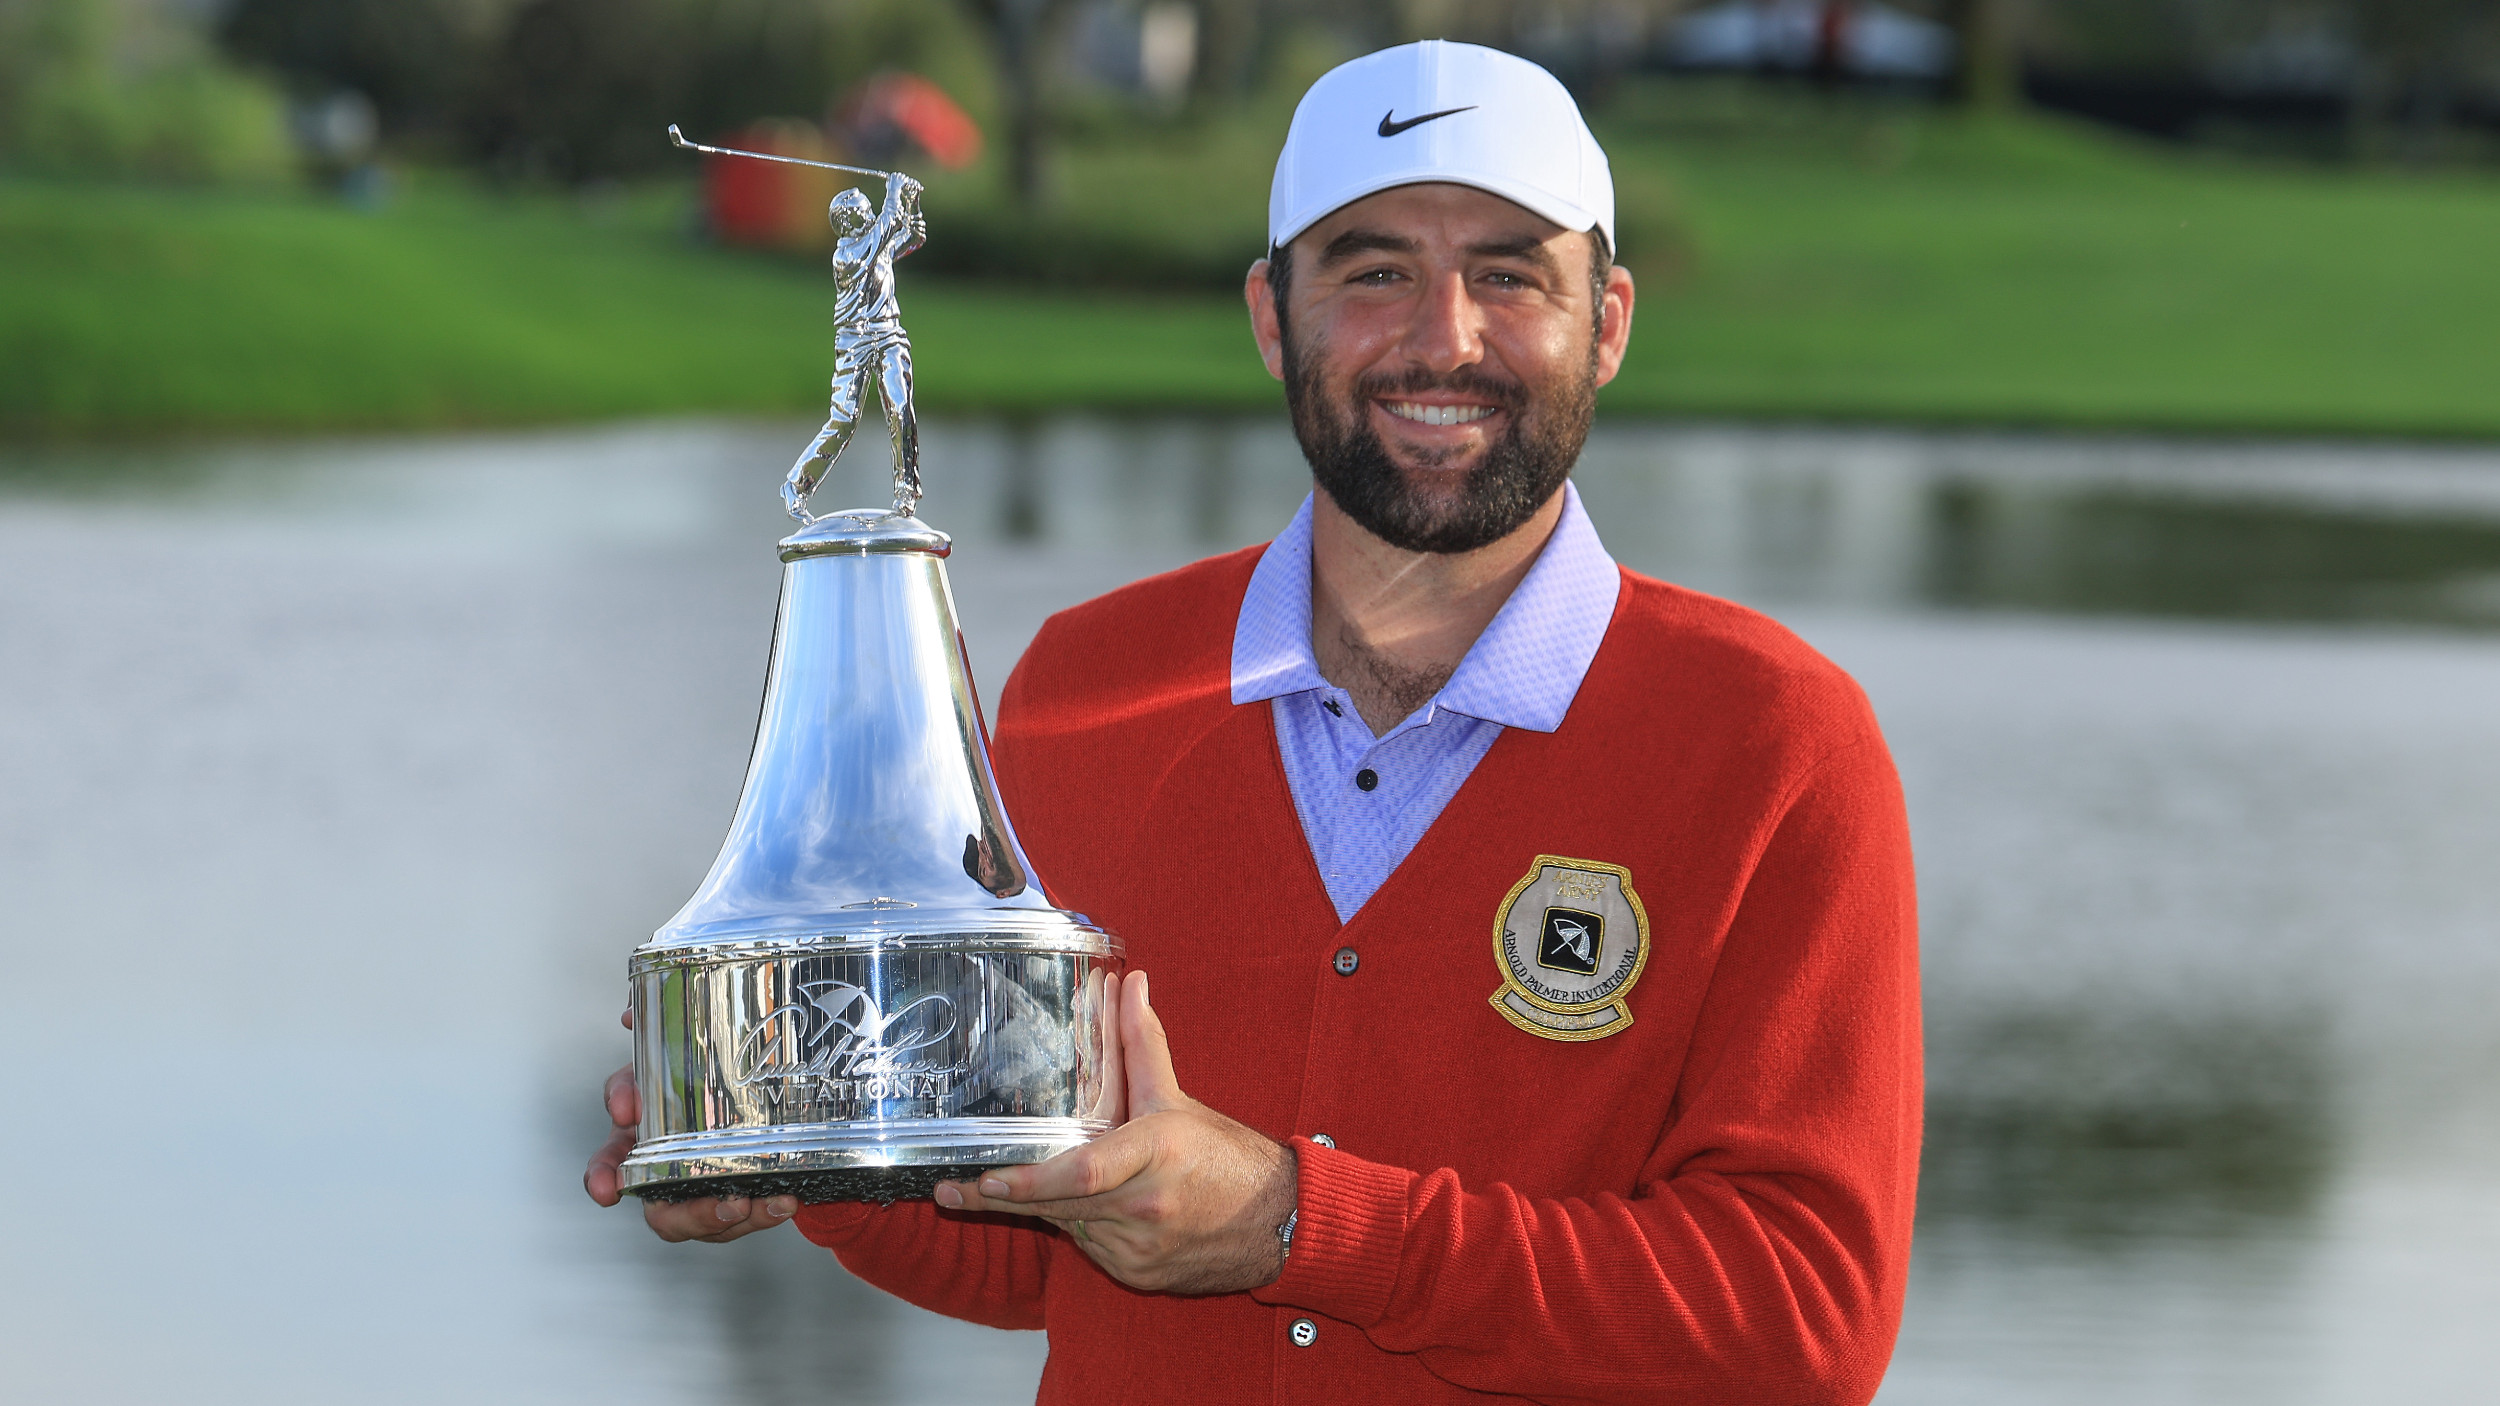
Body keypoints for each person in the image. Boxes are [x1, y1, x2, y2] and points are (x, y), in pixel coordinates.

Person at [588, 39, 1920, 1405]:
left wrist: (1299, 1222)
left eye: (1511, 274)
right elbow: (1031, 1248)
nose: (1442, 336)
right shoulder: (1090, 686)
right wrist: (801, 1147)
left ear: (1612, 319)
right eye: (1373, 269)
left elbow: (1802, 1320)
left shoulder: (1777, 743)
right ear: (1273, 316)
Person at [784, 170, 926, 523]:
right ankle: (796, 486)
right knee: (844, 420)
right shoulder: (848, 255)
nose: (867, 211)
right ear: (848, 221)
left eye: (866, 205)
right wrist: (894, 190)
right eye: (861, 208)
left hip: (890, 333)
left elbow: (912, 234)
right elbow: (889, 224)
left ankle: (907, 489)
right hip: (855, 341)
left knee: (900, 406)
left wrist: (913, 199)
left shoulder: (875, 246)